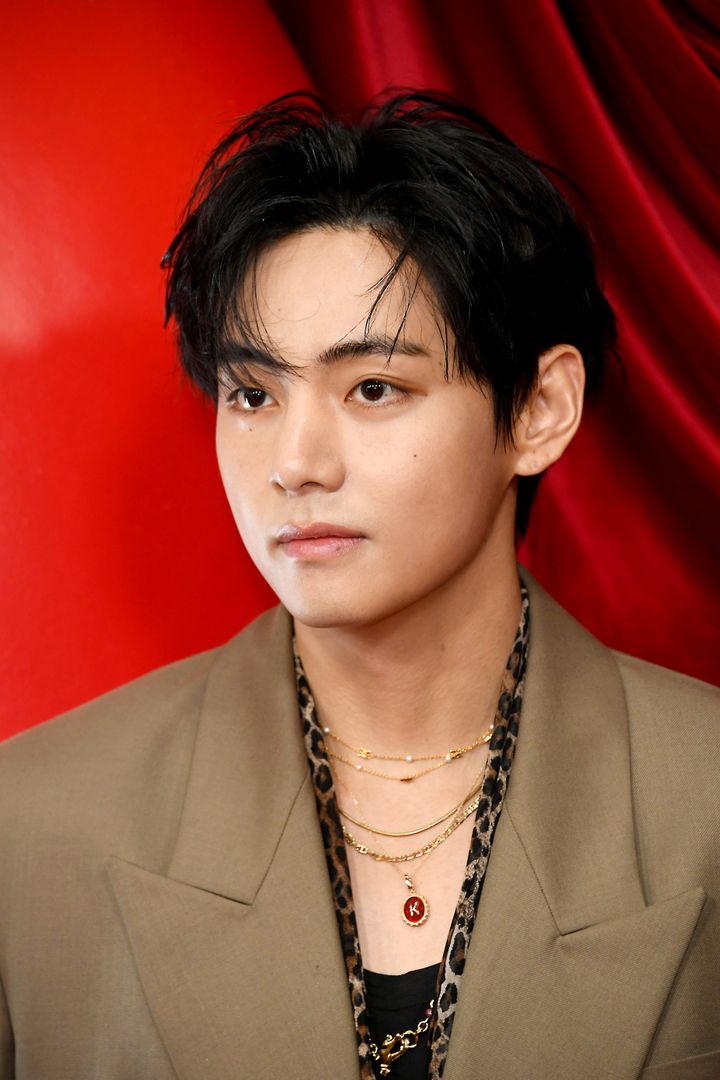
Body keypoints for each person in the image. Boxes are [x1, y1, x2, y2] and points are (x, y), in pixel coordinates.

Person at [0, 91, 718, 1080]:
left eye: (375, 388)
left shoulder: (701, 800)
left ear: (540, 409)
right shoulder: (34, 824)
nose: (295, 463)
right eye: (252, 394)